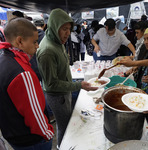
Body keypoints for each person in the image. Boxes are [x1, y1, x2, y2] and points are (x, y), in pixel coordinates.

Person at [36, 8, 98, 149]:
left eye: (69, 29)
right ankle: (63, 147)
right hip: (57, 97)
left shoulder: (57, 42)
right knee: (65, 127)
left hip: (65, 92)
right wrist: (79, 85)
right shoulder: (47, 51)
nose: (68, 33)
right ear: (54, 26)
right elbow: (51, 84)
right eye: (64, 29)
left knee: (68, 123)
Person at [0, 18, 54, 150]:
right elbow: (34, 114)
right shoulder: (22, 73)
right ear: (20, 41)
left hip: (13, 134)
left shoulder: (4, 59)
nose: (37, 46)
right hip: (31, 139)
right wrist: (48, 133)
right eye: (35, 42)